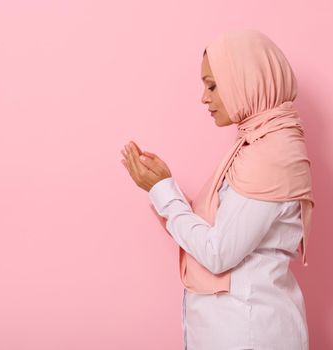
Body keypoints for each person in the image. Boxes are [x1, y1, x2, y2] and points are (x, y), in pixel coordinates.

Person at [120, 29, 314, 349]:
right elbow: (222, 229)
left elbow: (218, 252)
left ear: (246, 80)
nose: (204, 97)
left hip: (251, 333)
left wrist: (162, 191)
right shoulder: (254, 145)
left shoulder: (272, 155)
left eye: (212, 85)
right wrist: (165, 185)